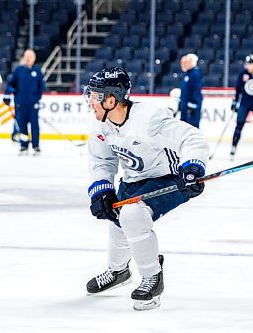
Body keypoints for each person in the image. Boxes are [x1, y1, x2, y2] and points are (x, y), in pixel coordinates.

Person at [83, 67, 210, 311]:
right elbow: (102, 161)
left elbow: (191, 138)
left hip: (170, 177)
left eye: (96, 95)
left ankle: (152, 277)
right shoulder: (100, 124)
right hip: (135, 179)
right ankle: (118, 271)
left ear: (111, 99)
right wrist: (102, 190)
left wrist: (193, 167)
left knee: (132, 214)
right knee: (118, 220)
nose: (90, 100)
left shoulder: (149, 119)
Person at [3, 49, 45, 155]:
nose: (28, 58)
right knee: (22, 125)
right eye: (27, 56)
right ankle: (23, 145)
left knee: (35, 126)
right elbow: (11, 84)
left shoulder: (37, 71)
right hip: (20, 104)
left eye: (30, 57)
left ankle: (36, 146)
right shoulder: (19, 70)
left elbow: (41, 86)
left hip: (33, 104)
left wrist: (37, 99)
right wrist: (7, 94)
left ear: (34, 58)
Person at [179, 53, 203, 128]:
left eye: (186, 62)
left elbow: (196, 90)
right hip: (185, 106)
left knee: (192, 128)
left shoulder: (194, 74)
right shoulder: (186, 74)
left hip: (191, 107)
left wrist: (193, 104)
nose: (183, 64)